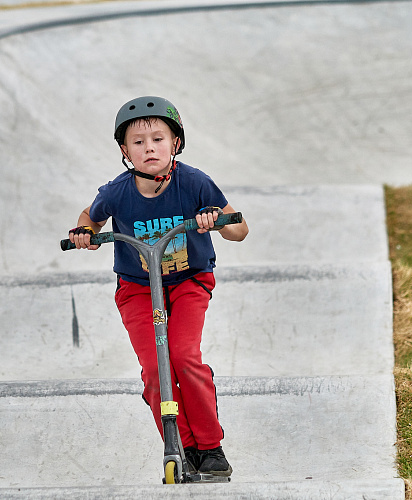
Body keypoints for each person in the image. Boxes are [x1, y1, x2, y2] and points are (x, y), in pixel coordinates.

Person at [69, 96, 248, 476]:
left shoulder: (195, 183)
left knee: (183, 357)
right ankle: (180, 444)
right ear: (124, 151)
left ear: (175, 144)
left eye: (158, 139)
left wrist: (215, 219)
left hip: (189, 281)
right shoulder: (117, 191)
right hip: (137, 287)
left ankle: (210, 446)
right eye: (137, 142)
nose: (149, 148)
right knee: (154, 368)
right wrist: (86, 231)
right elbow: (91, 216)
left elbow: (239, 230)